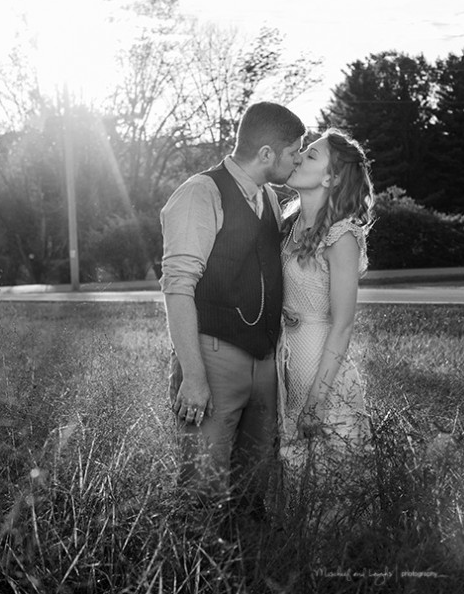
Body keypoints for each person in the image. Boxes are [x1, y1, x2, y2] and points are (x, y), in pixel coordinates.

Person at [160, 101, 305, 514]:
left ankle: (251, 572)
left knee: (254, 488)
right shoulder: (200, 193)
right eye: (294, 151)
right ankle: (198, 573)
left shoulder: (272, 200)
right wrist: (193, 376)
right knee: (202, 488)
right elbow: (177, 287)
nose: (297, 159)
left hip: (264, 363)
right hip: (213, 357)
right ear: (266, 155)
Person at [277, 127, 375, 467]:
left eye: (311, 155)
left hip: (323, 372)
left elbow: (343, 325)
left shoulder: (341, 236)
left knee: (329, 482)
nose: (299, 157)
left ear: (331, 178)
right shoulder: (287, 227)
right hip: (286, 367)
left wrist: (317, 401)